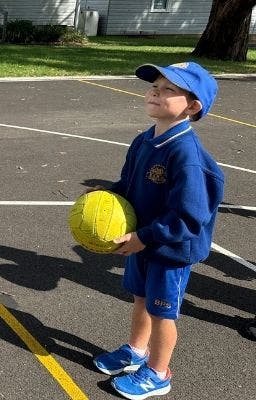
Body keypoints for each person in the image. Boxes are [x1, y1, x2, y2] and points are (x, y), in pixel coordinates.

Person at [91, 61, 225, 400]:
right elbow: (127, 184)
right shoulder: (143, 140)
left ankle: (158, 373)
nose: (155, 92)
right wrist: (103, 201)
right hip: (143, 242)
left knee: (162, 312)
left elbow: (189, 217)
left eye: (169, 90)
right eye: (155, 86)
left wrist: (143, 238)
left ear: (192, 107)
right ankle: (137, 351)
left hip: (170, 249)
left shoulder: (186, 154)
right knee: (141, 299)